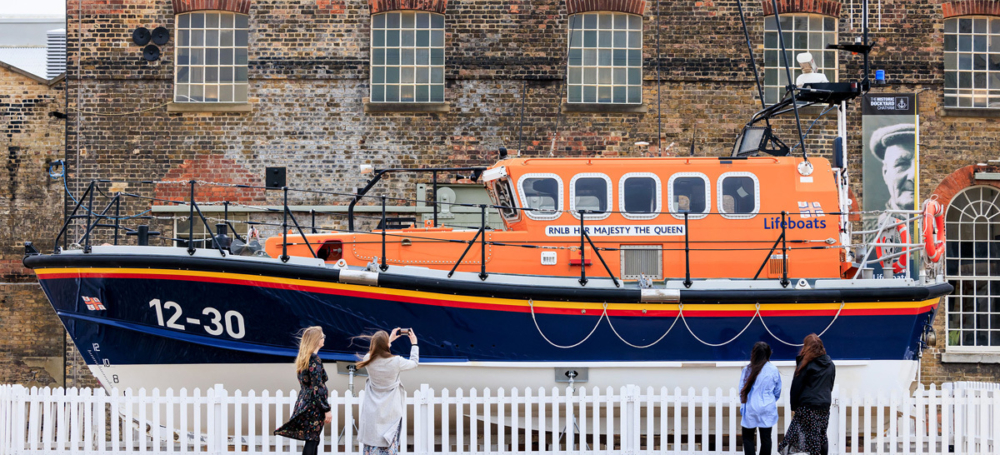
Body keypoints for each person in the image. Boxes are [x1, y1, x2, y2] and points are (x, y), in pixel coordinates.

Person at [357, 328, 419, 455]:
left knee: (372, 442)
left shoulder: (368, 359)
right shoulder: (396, 361)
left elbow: (374, 351)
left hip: (372, 410)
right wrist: (414, 344)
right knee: (389, 442)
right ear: (386, 344)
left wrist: (388, 340)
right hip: (391, 409)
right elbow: (414, 363)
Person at [275, 326, 333, 455]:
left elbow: (309, 385)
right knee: (312, 440)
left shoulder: (304, 359)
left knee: (312, 440)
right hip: (314, 406)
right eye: (322, 336)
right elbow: (317, 388)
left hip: (305, 403)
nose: (324, 338)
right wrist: (326, 409)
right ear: (317, 340)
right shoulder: (314, 360)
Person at [778, 334, 836, 455]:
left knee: (797, 437)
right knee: (821, 435)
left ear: (807, 347)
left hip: (808, 406)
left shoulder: (806, 365)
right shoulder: (830, 364)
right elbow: (830, 385)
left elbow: (796, 387)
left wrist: (793, 407)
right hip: (824, 405)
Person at [739, 341, 781, 455]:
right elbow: (777, 391)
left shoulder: (747, 370)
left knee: (748, 438)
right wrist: (769, 400)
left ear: (754, 354)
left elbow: (742, 391)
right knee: (766, 438)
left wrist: (743, 407)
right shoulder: (773, 370)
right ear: (768, 353)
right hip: (767, 408)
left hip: (751, 407)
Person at [869, 123, 916, 211]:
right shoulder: (862, 224)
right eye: (902, 164)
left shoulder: (948, 222)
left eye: (922, 166)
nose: (913, 176)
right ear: (885, 173)